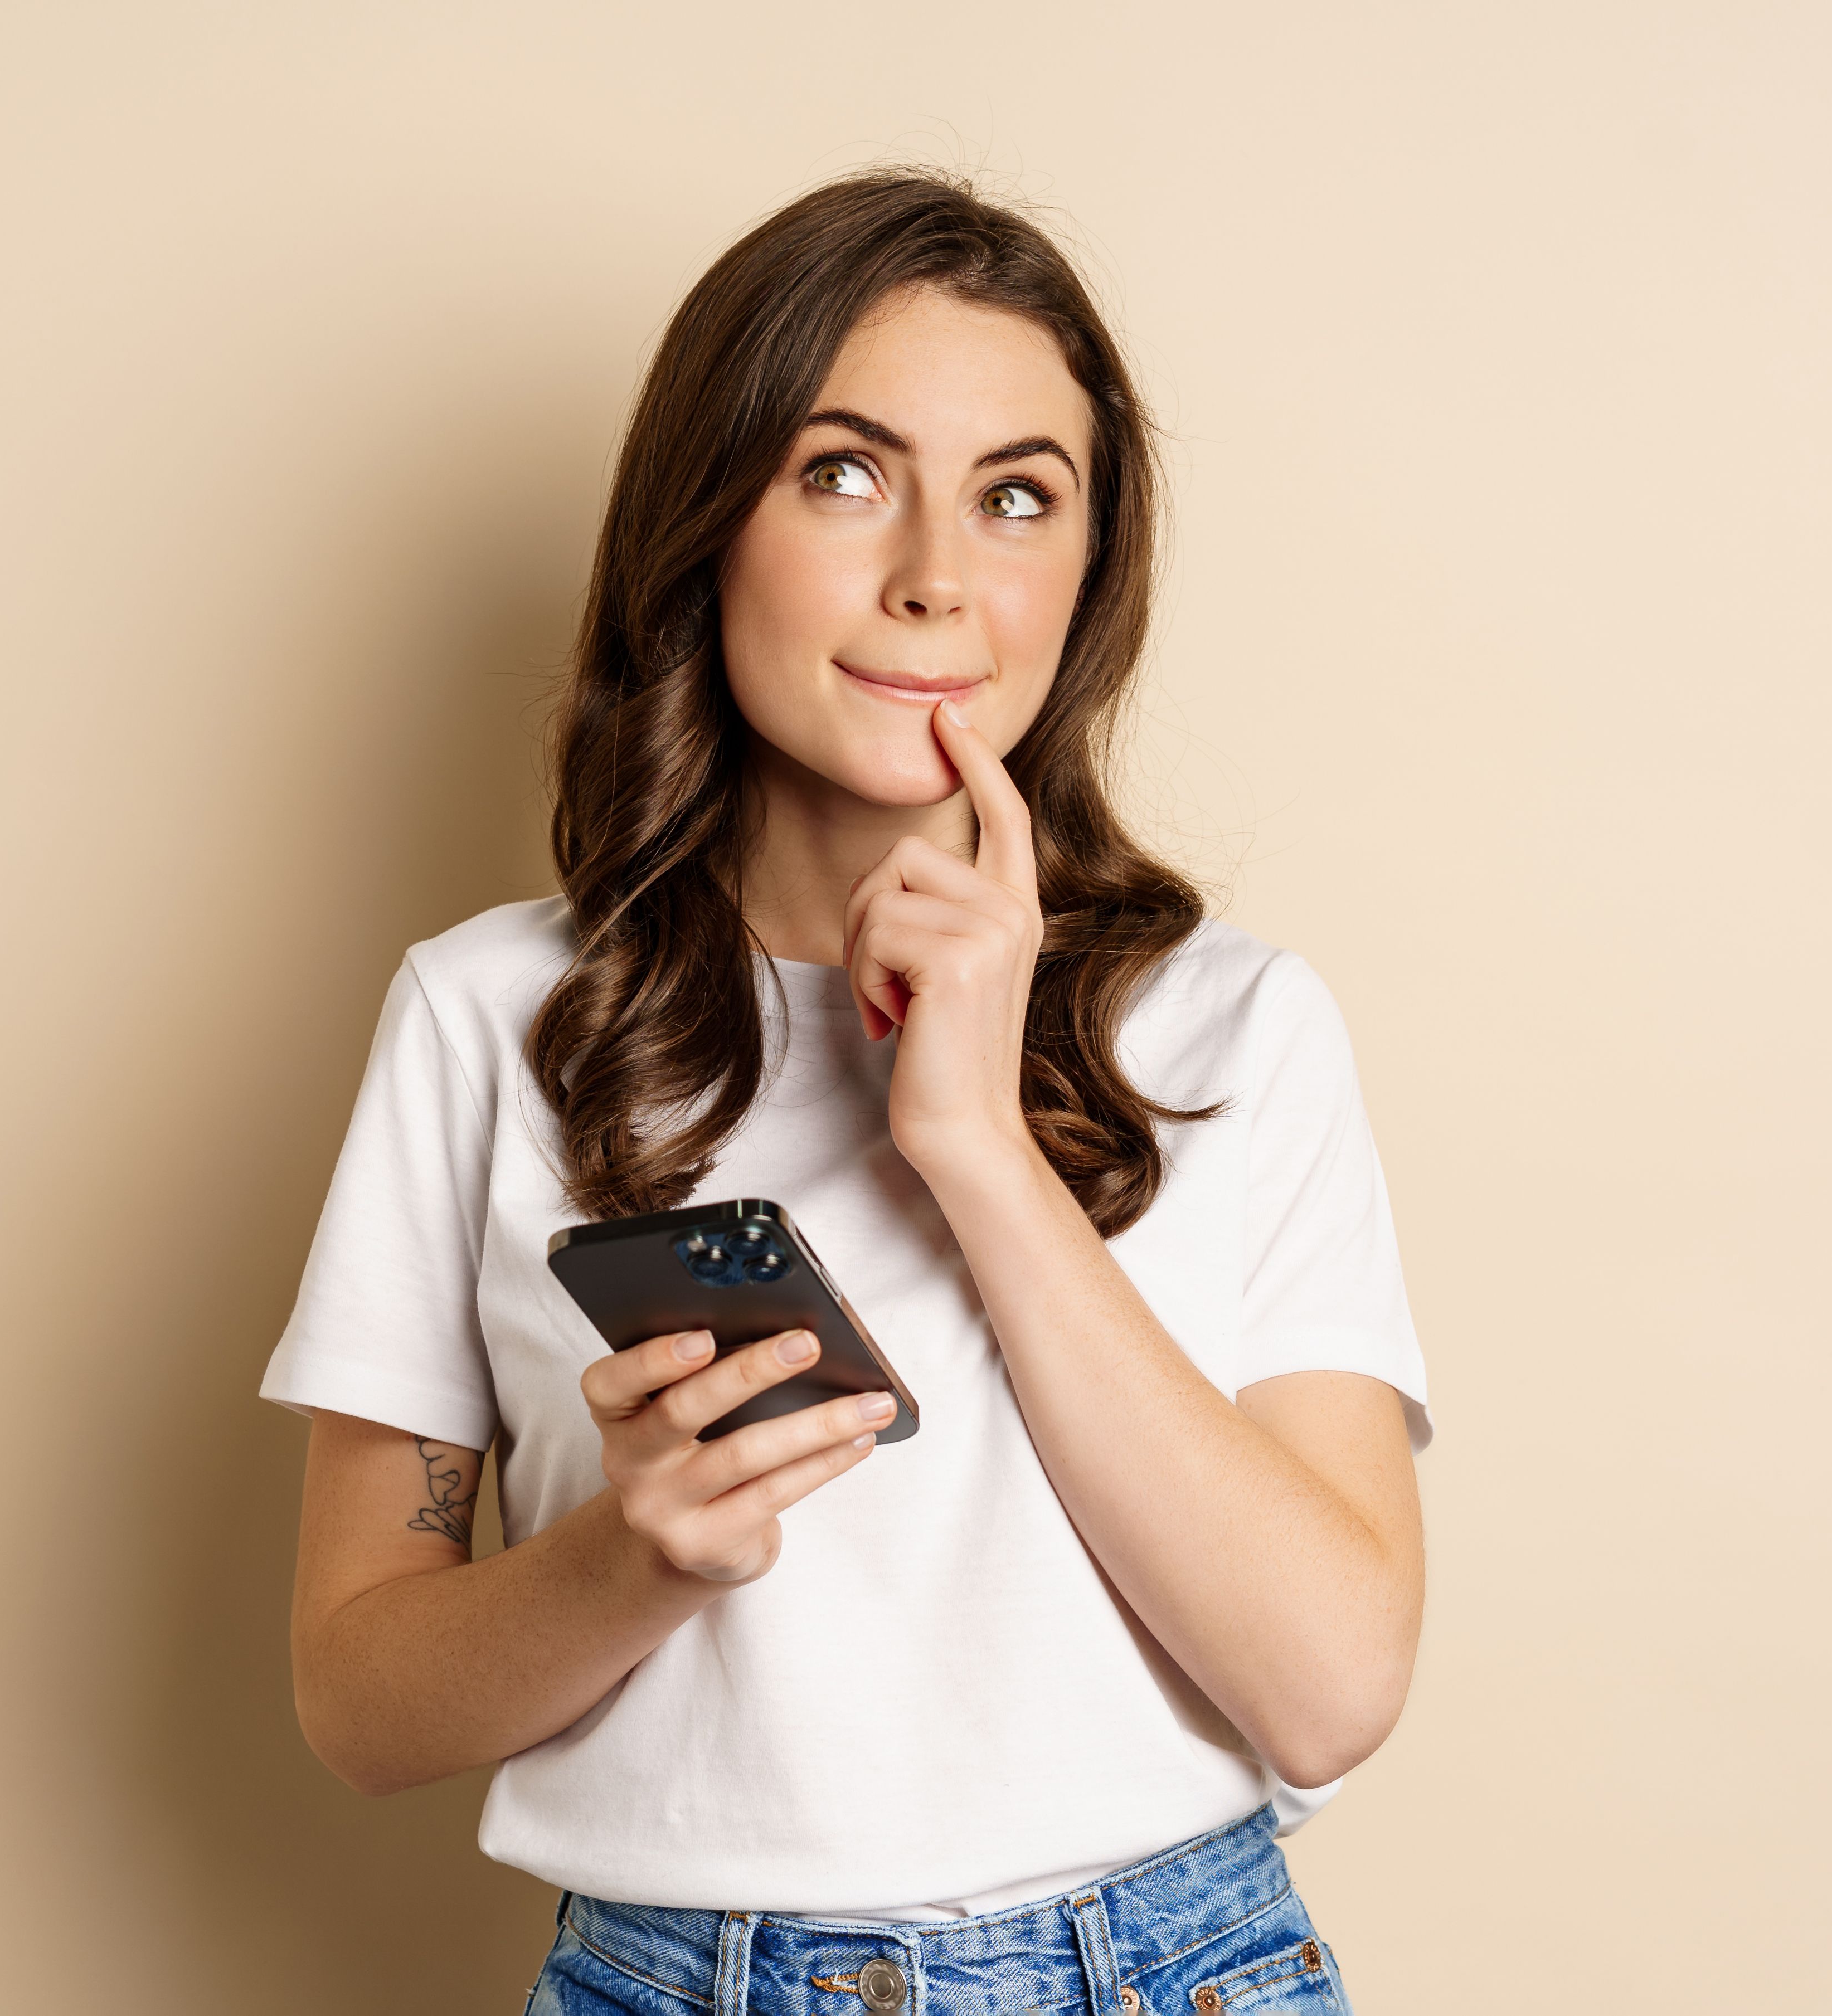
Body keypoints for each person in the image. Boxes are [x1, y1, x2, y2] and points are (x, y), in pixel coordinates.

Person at [263, 171, 1427, 2016]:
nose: (935, 581)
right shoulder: (487, 1018)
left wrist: (971, 1146)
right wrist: (626, 1559)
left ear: (1085, 573)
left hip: (1169, 1971)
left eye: (1016, 496)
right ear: (706, 521)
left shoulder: (1231, 1030)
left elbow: (1332, 1683)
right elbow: (358, 1697)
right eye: (843, 471)